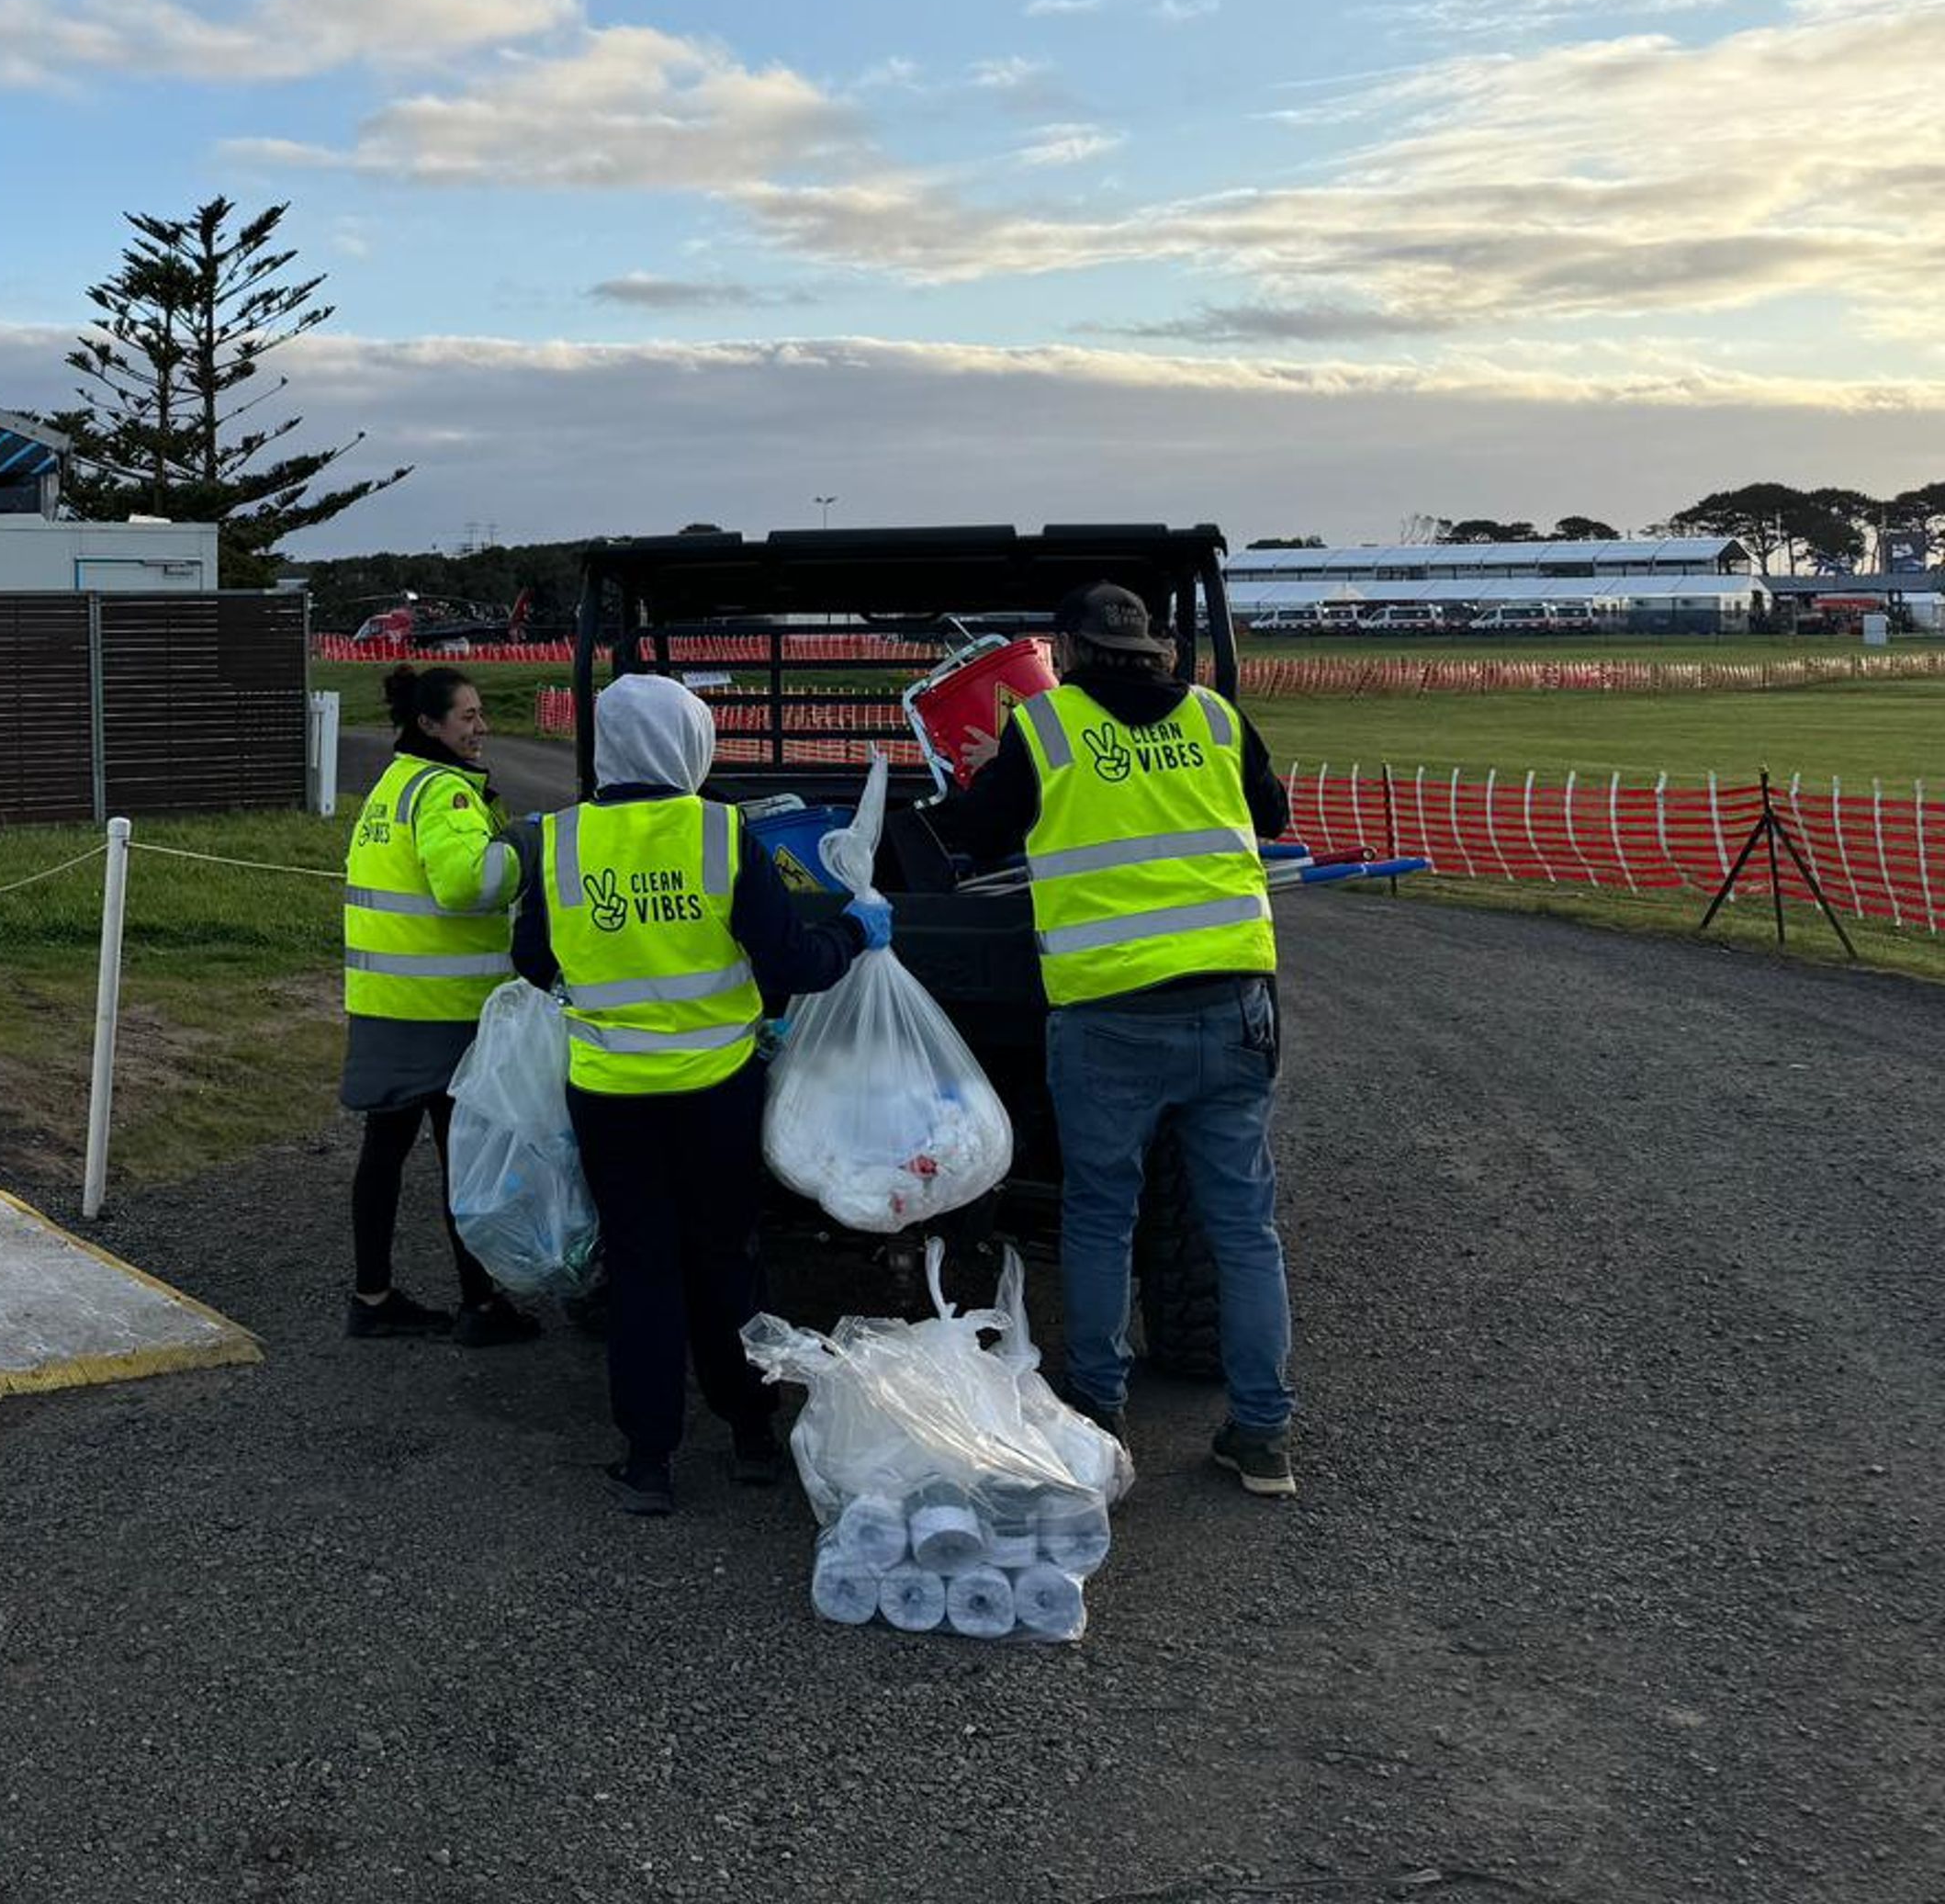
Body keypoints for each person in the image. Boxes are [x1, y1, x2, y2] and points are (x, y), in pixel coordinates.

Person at [941, 580, 1300, 1498]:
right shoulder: (1217, 719)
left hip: (1108, 1013)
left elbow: (975, 837)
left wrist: (992, 764)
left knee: (1103, 1214)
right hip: (1233, 1001)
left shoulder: (1048, 726)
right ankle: (1261, 1436)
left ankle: (1096, 1412)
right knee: (1243, 1229)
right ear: (1152, 647)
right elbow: (1271, 817)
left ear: (1066, 648)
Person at [513, 672, 879, 1515]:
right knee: (725, 1258)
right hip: (716, 1090)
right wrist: (857, 931)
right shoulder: (721, 832)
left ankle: (648, 1459)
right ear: (690, 742)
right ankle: (751, 1433)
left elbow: (534, 963)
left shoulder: (561, 840)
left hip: (608, 1093)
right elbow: (793, 963)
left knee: (641, 1266)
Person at [339, 666, 540, 1348]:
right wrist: (523, 847)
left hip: (383, 1003)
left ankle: (373, 1296)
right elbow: (465, 885)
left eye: (481, 715)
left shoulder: (392, 786)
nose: (481, 729)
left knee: (384, 1151)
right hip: (445, 1010)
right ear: (429, 725)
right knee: (468, 1160)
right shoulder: (447, 792)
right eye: (468, 717)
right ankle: (481, 1308)